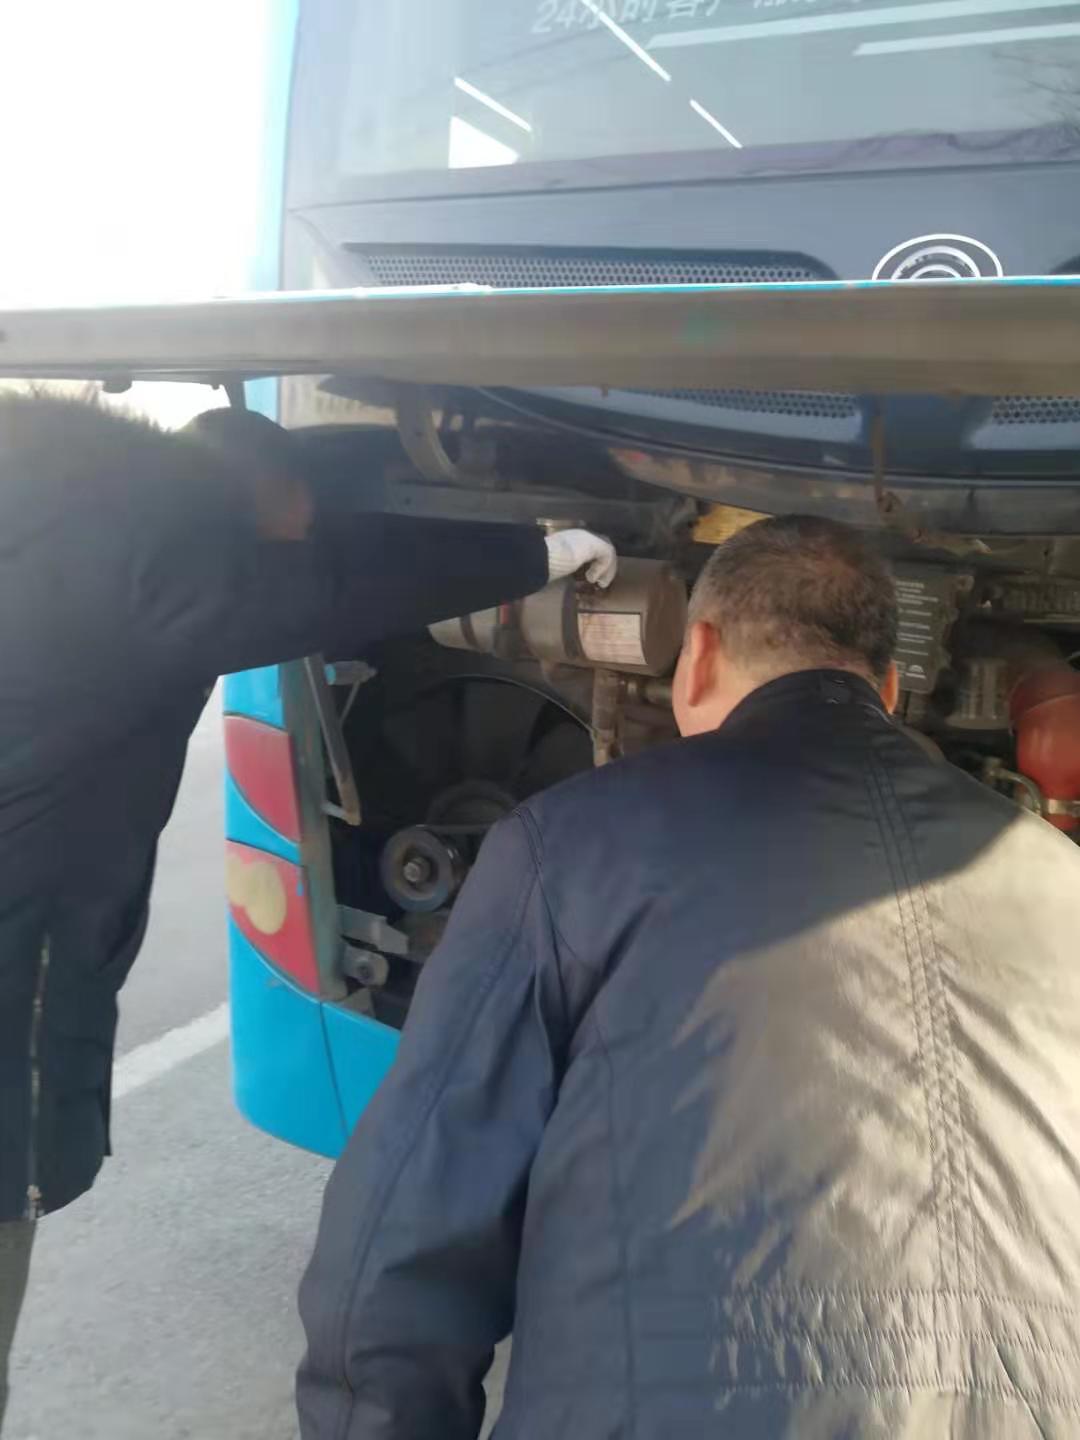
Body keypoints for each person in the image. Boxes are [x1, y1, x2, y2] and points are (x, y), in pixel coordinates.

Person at [298, 514, 1080, 1439]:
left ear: (697, 654)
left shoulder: (566, 846)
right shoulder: (1059, 879)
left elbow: (402, 1229)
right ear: (889, 689)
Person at [0, 390, 616, 1424]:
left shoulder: (52, 507)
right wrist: (537, 553)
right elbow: (331, 587)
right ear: (245, 517)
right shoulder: (141, 558)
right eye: (288, 536)